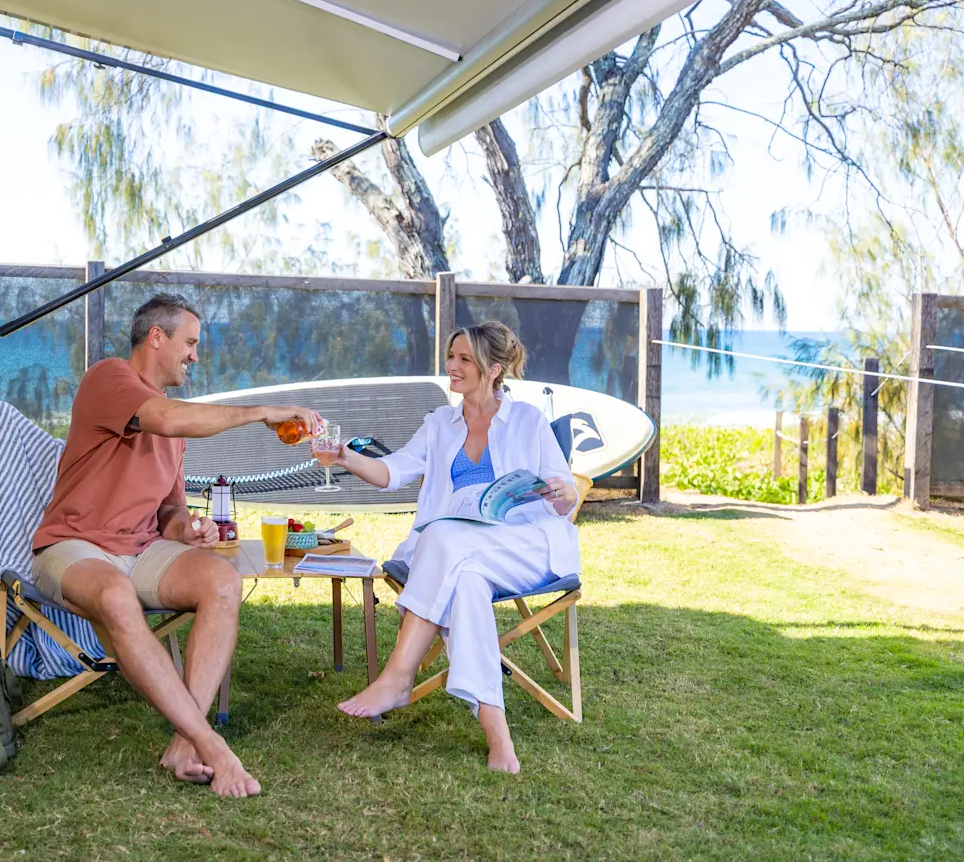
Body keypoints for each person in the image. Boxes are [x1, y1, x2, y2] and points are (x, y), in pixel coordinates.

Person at [30, 293, 323, 798]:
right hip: (74, 546)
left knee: (223, 581)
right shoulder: (109, 378)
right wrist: (262, 412)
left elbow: (168, 510)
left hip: (140, 550)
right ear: (156, 338)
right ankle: (212, 746)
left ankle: (183, 744)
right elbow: (165, 419)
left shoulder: (174, 427)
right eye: (189, 343)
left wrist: (188, 529)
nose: (195, 355)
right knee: (117, 596)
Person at [319, 321, 578, 773]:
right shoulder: (439, 423)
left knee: (441, 537)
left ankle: (398, 677)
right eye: (450, 356)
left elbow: (565, 497)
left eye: (463, 360)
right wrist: (344, 456)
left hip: (521, 546)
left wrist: (562, 491)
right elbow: (392, 472)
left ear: (493, 369)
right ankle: (499, 738)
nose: (451, 367)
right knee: (466, 584)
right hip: (457, 555)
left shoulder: (527, 421)